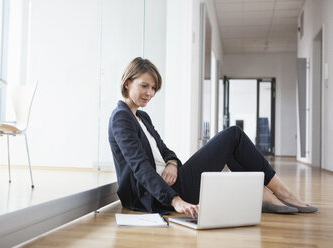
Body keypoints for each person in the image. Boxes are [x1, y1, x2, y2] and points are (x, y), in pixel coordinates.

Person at [108, 57, 317, 218]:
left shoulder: (141, 116)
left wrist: (171, 163)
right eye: (144, 86)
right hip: (159, 194)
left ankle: (266, 194)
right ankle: (280, 194)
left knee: (233, 146)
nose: (150, 93)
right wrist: (175, 201)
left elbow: (166, 151)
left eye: (153, 88)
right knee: (233, 135)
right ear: (127, 83)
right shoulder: (121, 118)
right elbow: (140, 167)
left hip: (173, 179)